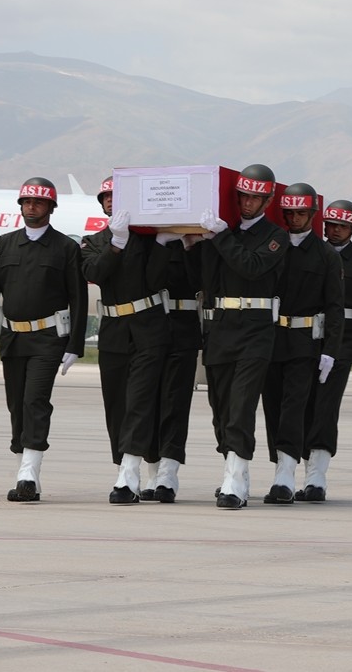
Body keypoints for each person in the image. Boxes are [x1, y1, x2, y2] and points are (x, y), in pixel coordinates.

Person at [0, 177, 88, 502]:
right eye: (26, 202)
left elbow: (78, 300)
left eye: (38, 202)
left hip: (48, 339)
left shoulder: (66, 249)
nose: (31, 207)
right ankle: (24, 468)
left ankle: (28, 473)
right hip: (13, 338)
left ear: (50, 208)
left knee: (35, 401)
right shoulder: (4, 245)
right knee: (16, 405)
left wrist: (74, 345)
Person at [191, 164, 289, 510]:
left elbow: (250, 266)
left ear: (268, 200)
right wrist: (191, 243)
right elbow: (206, 281)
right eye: (243, 196)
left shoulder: (276, 236)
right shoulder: (224, 234)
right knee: (219, 408)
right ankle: (235, 469)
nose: (248, 203)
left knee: (242, 406)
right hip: (221, 327)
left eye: (255, 198)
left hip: (256, 329)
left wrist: (218, 237)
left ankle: (235, 477)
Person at [81, 174, 174, 504]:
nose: (110, 200)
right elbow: (94, 273)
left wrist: (161, 244)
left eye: (116, 195)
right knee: (116, 405)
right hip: (113, 332)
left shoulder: (147, 241)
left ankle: (128, 476)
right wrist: (116, 244)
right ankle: (127, 465)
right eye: (105, 196)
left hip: (148, 328)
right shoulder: (92, 242)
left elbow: (155, 279)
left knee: (139, 401)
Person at [260, 183, 343, 505]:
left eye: (301, 213)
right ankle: (280, 466)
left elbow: (335, 306)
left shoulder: (325, 255)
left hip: (306, 342)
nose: (295, 218)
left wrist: (330, 351)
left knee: (294, 407)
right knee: (272, 406)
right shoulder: (272, 247)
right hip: (271, 338)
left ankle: (285, 475)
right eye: (290, 213)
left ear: (313, 215)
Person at [301, 199, 352, 502]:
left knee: (325, 409)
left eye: (342, 226)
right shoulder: (310, 254)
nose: (334, 230)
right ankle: (302, 469)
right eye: (331, 224)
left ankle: (317, 477)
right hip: (306, 339)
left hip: (343, 344)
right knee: (303, 408)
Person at [138, 203, 203, 504]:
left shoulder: (197, 244)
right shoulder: (151, 242)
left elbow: (205, 283)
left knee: (176, 402)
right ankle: (153, 470)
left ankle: (169, 472)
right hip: (151, 329)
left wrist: (193, 247)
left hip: (184, 330)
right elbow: (147, 281)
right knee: (148, 403)